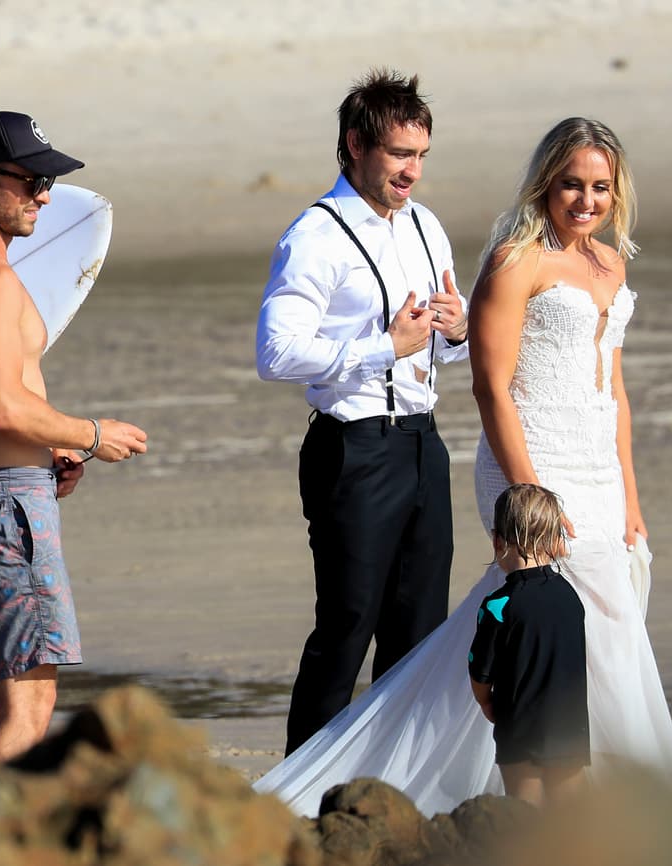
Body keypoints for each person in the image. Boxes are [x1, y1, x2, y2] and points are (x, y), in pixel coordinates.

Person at [253, 117, 672, 816]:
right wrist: (528, 489)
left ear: (617, 192)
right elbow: (491, 384)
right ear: (546, 182)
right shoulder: (517, 257)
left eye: (600, 187)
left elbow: (615, 390)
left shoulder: (612, 263)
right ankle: (585, 799)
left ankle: (572, 792)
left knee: (586, 616)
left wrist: (632, 496)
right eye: (571, 184)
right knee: (544, 618)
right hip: (532, 455)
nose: (585, 200)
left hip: (598, 465)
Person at [0, 110, 148, 762]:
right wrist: (92, 434)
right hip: (4, 509)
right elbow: (7, 405)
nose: (45, 195)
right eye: (31, 179)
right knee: (28, 709)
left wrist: (53, 451)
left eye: (48, 180)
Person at [254, 69, 470, 756]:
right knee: (348, 626)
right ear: (356, 144)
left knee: (421, 631)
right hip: (352, 450)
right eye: (400, 154)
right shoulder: (315, 235)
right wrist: (383, 346)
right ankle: (298, 793)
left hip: (421, 444)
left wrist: (458, 333)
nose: (412, 171)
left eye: (421, 156)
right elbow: (276, 352)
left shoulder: (427, 227)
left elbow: (443, 354)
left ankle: (393, 784)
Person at [469, 483, 588, 806]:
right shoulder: (570, 597)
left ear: (497, 541)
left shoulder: (499, 605)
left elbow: (480, 669)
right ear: (554, 541)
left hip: (519, 727)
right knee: (570, 816)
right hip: (570, 724)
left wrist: (485, 703)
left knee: (524, 816)